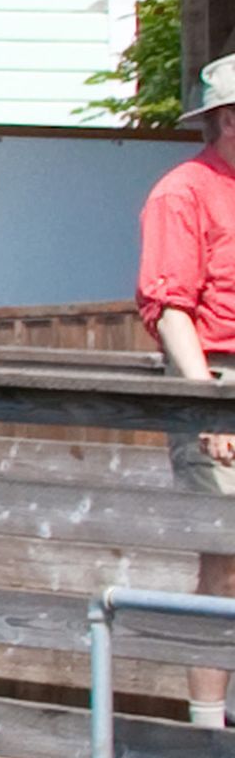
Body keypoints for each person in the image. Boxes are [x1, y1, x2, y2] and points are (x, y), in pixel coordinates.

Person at [144, 65, 235, 718]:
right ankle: (207, 735)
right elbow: (170, 305)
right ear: (222, 119)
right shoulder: (183, 191)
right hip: (217, 373)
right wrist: (207, 401)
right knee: (226, 558)